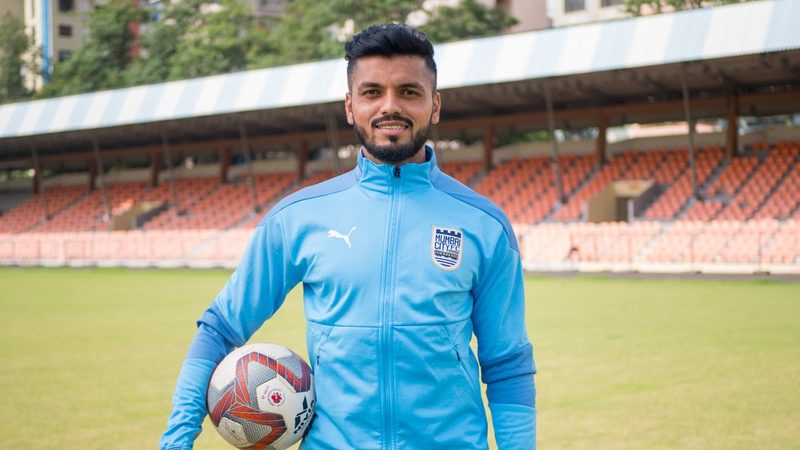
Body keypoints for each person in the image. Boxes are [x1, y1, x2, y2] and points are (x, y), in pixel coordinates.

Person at [161, 23, 536, 450]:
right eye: (372, 92)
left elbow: (507, 364)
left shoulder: (485, 224)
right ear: (350, 105)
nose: (390, 106)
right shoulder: (298, 218)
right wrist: (176, 440)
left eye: (409, 92)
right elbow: (220, 328)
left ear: (435, 105)